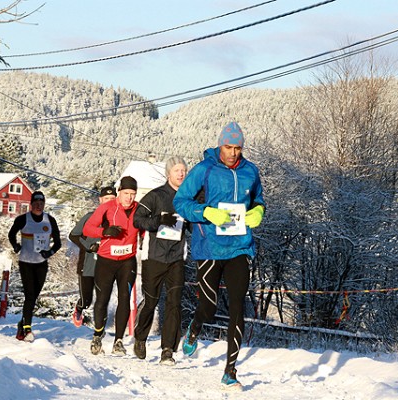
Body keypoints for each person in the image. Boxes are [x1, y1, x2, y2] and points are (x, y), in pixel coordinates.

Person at [173, 121, 265, 390]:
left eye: (238, 148)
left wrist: (257, 212)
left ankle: (230, 371)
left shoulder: (251, 171)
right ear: (220, 144)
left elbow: (258, 200)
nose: (233, 153)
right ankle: (195, 326)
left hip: (239, 247)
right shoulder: (205, 169)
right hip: (210, 246)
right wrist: (206, 213)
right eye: (228, 147)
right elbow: (181, 201)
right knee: (209, 307)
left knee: (238, 305)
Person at [133, 157, 189, 365]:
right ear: (169, 173)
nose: (181, 174)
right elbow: (137, 219)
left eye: (183, 170)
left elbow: (193, 224)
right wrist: (159, 221)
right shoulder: (156, 195)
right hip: (154, 257)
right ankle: (140, 337)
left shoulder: (188, 198)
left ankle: (168, 350)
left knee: (174, 304)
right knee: (151, 301)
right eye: (177, 170)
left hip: (176, 258)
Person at [83, 176, 141, 356]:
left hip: (127, 261)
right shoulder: (107, 208)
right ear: (119, 192)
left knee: (125, 298)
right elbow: (87, 229)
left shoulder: (139, 209)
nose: (129, 198)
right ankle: (98, 334)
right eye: (126, 193)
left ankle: (119, 340)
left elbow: (146, 228)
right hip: (106, 261)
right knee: (102, 299)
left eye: (132, 194)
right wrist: (104, 231)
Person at [8, 190, 62, 342]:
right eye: (36, 203)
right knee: (30, 295)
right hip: (25, 262)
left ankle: (22, 323)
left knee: (34, 297)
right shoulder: (22, 219)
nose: (38, 206)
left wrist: (49, 252)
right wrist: (16, 246)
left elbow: (57, 243)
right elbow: (11, 234)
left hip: (41, 264)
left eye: (41, 203)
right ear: (31, 205)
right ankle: (27, 329)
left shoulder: (50, 220)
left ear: (44, 205)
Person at [69, 186, 116, 327]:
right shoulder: (90, 216)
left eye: (112, 199)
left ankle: (99, 328)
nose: (109, 202)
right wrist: (88, 247)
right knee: (86, 300)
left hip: (106, 266)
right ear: (100, 200)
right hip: (87, 265)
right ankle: (79, 309)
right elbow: (73, 235)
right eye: (106, 199)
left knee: (103, 300)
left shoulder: (116, 219)